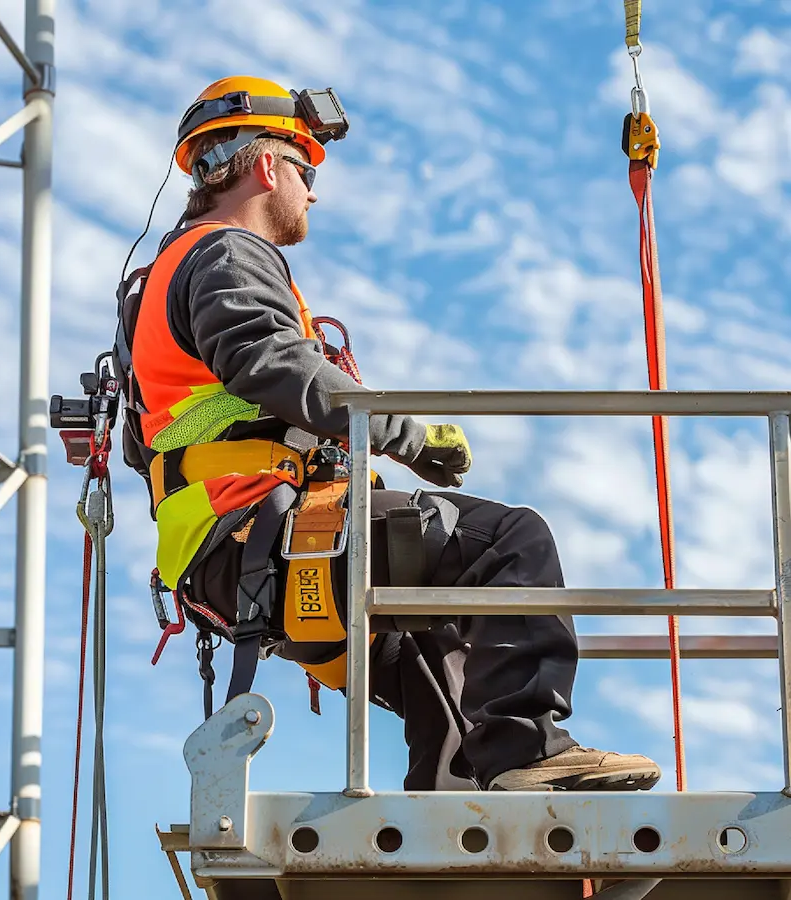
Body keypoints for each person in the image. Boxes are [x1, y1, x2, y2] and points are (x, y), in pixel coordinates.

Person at [120, 76, 661, 792]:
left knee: (442, 649)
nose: (313, 191)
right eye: (307, 168)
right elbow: (271, 362)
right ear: (266, 166)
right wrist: (407, 433)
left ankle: (459, 808)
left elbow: (150, 443)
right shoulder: (226, 252)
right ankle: (530, 752)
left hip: (235, 553)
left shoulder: (160, 279)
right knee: (510, 543)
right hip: (267, 532)